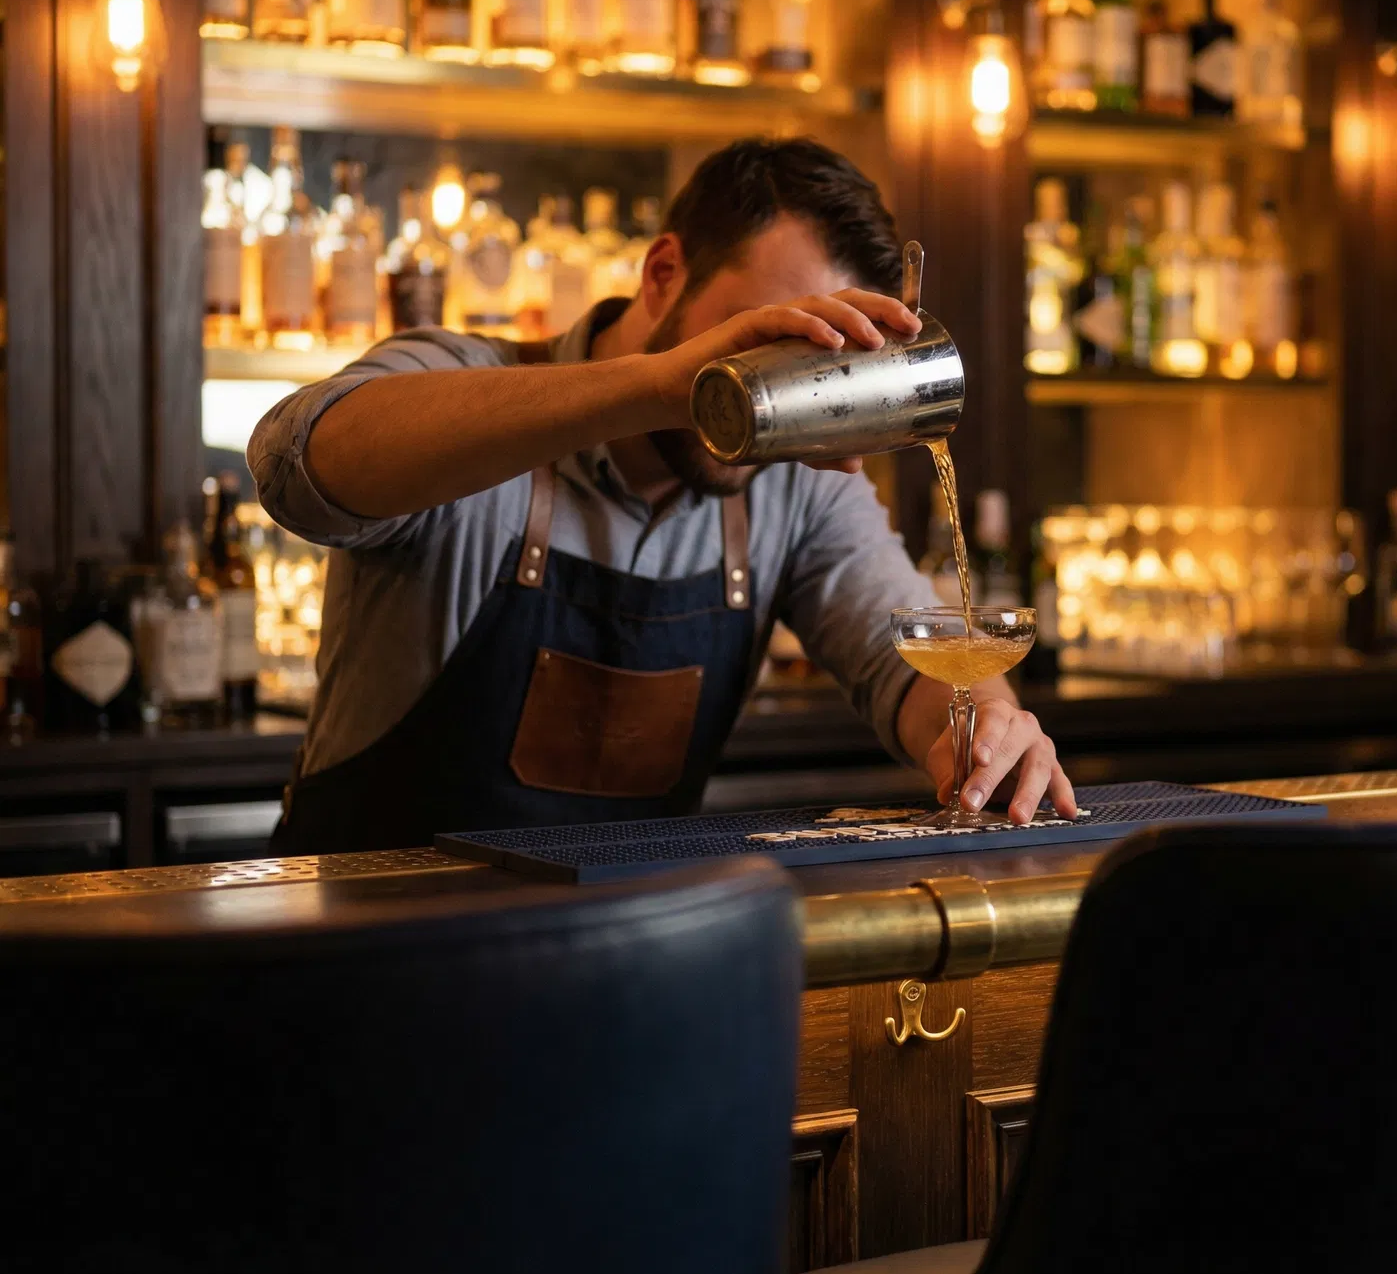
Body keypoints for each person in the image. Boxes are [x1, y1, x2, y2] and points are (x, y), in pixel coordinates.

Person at [250, 137, 1074, 854]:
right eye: (767, 336)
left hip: (627, 960)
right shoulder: (467, 388)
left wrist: (987, 730)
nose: (777, 383)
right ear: (663, 273)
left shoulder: (793, 484)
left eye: (817, 363)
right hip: (373, 958)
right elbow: (295, 463)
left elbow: (908, 653)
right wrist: (660, 386)